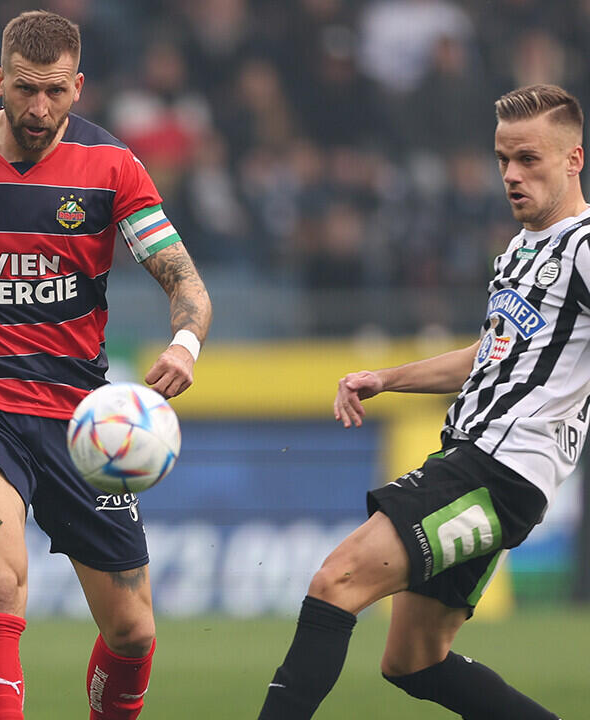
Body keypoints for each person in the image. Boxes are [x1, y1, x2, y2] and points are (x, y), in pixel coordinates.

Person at [0, 10, 211, 720]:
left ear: (78, 86)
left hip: (81, 423)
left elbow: (185, 281)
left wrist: (185, 344)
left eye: (55, 91)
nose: (39, 107)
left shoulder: (113, 167)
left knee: (134, 632)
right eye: (25, 89)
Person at [257, 83, 584, 720]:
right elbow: (483, 357)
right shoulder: (523, 248)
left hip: (497, 467)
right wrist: (388, 377)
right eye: (502, 160)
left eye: (529, 159)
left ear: (574, 159)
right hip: (486, 463)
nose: (511, 176)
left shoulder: (582, 247)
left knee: (336, 580)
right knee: (412, 659)